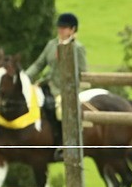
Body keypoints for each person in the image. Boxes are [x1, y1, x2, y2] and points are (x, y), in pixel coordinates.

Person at [26, 12, 88, 153]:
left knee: (60, 110)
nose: (60, 30)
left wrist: (77, 91)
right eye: (59, 27)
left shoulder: (77, 48)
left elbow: (83, 72)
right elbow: (38, 64)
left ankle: (64, 144)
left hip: (65, 90)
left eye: (64, 28)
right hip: (47, 85)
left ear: (72, 30)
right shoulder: (51, 44)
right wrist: (24, 77)